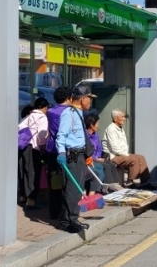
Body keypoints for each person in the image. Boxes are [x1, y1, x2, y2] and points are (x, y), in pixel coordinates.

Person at [54, 85, 96, 233]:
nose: (90, 102)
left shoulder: (78, 113)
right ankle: (70, 220)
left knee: (75, 189)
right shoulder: (69, 113)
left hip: (79, 155)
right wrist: (61, 153)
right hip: (71, 156)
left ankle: (67, 219)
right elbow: (61, 135)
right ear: (83, 99)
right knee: (72, 190)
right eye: (89, 98)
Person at [44, 86, 73, 220]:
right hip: (67, 150)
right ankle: (66, 211)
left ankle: (53, 211)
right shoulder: (71, 112)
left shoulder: (50, 112)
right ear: (68, 98)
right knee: (68, 183)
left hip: (53, 151)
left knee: (54, 182)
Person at [102, 109, 151, 186]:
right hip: (113, 156)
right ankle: (130, 182)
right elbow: (115, 148)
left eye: (124, 117)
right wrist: (126, 154)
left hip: (122, 154)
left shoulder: (120, 128)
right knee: (134, 159)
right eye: (122, 117)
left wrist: (126, 154)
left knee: (141, 157)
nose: (124, 118)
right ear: (115, 119)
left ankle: (145, 181)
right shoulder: (111, 129)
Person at [18, 97, 49, 210]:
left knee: (23, 171)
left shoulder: (29, 116)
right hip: (33, 147)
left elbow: (19, 127)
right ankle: (31, 200)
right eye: (46, 107)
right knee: (33, 172)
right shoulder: (42, 118)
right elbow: (42, 135)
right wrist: (43, 147)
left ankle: (23, 196)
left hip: (23, 146)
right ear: (44, 107)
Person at [83, 111, 123, 194]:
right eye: (97, 123)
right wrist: (95, 158)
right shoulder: (84, 135)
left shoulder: (96, 134)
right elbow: (86, 151)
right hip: (89, 158)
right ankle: (107, 188)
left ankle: (116, 186)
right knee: (106, 167)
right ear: (91, 125)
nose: (98, 125)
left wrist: (97, 156)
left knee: (111, 165)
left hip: (96, 157)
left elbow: (99, 148)